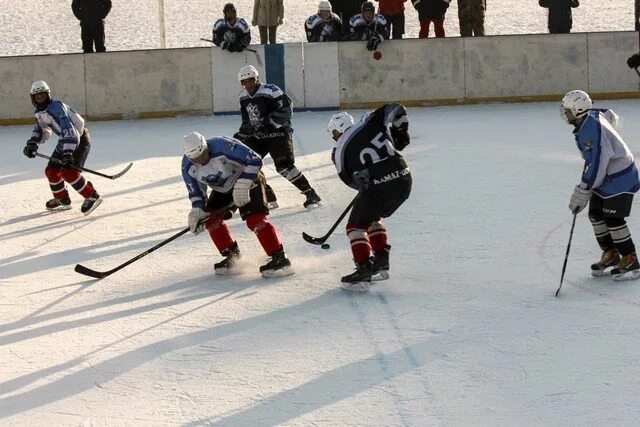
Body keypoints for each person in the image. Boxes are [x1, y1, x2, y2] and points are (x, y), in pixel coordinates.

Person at [181, 131, 294, 277]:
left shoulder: (224, 145)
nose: (200, 160)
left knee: (255, 220)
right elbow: (196, 192)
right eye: (195, 158)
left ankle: (280, 258)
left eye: (202, 154)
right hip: (223, 188)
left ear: (205, 145)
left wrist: (243, 184)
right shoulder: (188, 166)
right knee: (210, 220)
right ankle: (233, 257)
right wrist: (198, 211)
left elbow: (255, 159)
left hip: (249, 179)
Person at [327, 104, 412, 291]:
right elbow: (396, 109)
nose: (334, 138)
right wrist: (401, 134)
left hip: (379, 187)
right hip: (404, 179)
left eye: (333, 134)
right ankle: (380, 260)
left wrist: (362, 184)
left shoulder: (338, 150)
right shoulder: (369, 120)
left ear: (337, 130)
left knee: (355, 227)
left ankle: (363, 269)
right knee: (372, 217)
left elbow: (347, 178)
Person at [561, 90, 640, 280]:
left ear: (579, 110)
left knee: (613, 218)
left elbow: (596, 166)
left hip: (620, 177)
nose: (565, 113)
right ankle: (611, 254)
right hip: (607, 175)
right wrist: (609, 135)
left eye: (568, 110)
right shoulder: (591, 116)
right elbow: (609, 114)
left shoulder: (591, 133)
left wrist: (582, 191)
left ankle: (630, 258)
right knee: (595, 214)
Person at [233, 65, 322, 210]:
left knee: (284, 166)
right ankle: (267, 195)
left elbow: (286, 109)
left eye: (250, 80)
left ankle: (311, 194)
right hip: (258, 136)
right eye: (244, 82)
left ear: (256, 78)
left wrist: (269, 124)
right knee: (245, 163)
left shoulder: (271, 90)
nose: (248, 84)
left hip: (278, 134)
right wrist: (241, 135)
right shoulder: (242, 97)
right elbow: (247, 121)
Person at [22, 81, 102, 215]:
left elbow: (71, 131)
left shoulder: (56, 108)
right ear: (33, 98)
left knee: (68, 172)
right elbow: (42, 130)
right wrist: (32, 143)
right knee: (51, 170)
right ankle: (62, 198)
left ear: (47, 95)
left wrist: (68, 153)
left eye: (42, 96)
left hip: (79, 139)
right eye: (37, 97)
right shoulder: (40, 112)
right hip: (65, 140)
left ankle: (92, 195)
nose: (40, 98)